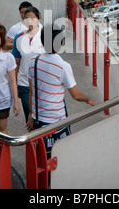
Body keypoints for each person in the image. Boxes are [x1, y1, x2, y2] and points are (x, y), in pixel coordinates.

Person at [26, 24, 95, 156]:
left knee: (41, 157)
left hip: (38, 119)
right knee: (59, 157)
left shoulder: (33, 61)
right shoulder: (63, 66)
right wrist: (88, 99)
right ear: (61, 42)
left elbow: (31, 91)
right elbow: (75, 95)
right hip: (56, 121)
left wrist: (31, 114)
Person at [12, 6, 45, 122]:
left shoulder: (45, 37)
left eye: (32, 18)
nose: (29, 21)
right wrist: (15, 85)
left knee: (43, 116)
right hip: (24, 83)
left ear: (39, 19)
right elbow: (16, 63)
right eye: (26, 18)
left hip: (42, 83)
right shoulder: (19, 38)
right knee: (29, 116)